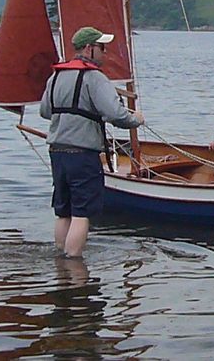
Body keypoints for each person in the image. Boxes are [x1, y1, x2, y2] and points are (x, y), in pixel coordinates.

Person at [39, 25, 144, 258]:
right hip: (82, 154)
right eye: (102, 48)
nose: (105, 53)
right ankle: (75, 266)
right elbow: (116, 115)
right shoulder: (95, 78)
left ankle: (60, 261)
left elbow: (46, 111)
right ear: (89, 48)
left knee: (63, 211)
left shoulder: (55, 76)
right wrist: (135, 119)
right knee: (81, 213)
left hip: (56, 151)